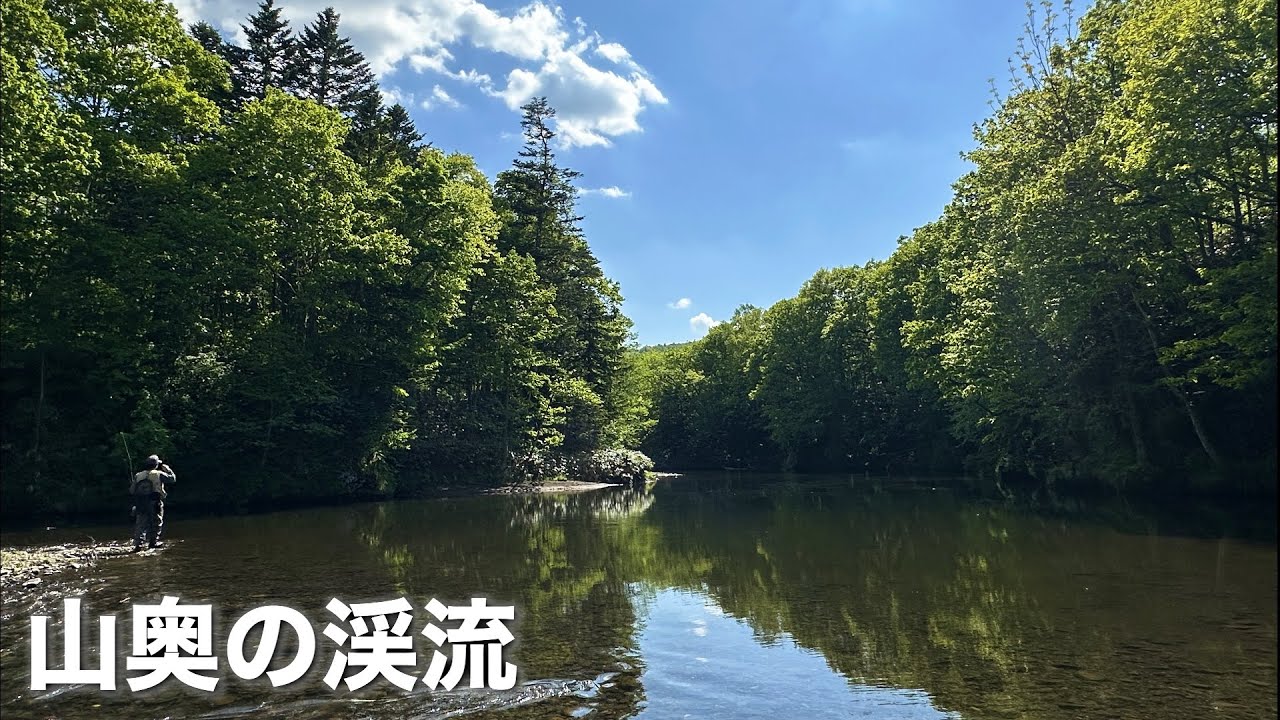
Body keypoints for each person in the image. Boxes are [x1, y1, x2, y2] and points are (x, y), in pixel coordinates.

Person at [131, 454, 176, 551]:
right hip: (155, 502)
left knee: (141, 524)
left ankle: (138, 545)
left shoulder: (138, 475)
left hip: (141, 503)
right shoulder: (159, 474)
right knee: (156, 522)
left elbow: (132, 490)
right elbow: (172, 479)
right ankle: (153, 543)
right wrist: (168, 469)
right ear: (156, 465)